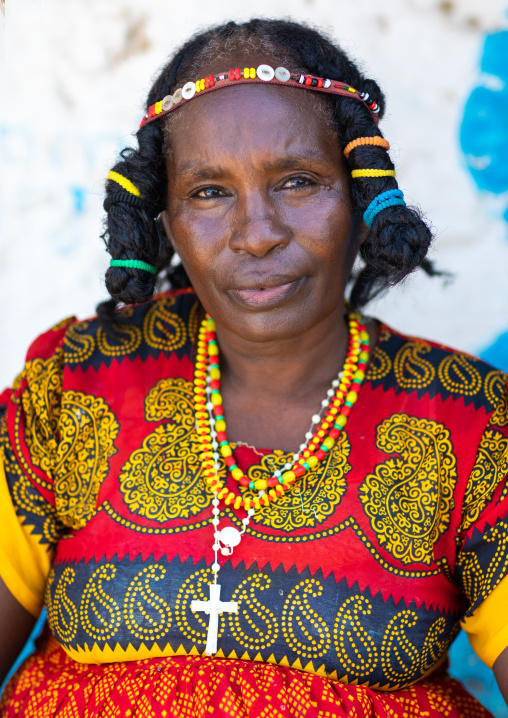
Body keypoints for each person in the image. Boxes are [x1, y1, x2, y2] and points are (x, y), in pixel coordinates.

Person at [1, 18, 507, 718]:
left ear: (362, 197)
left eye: (298, 181)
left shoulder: (471, 424)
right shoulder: (75, 387)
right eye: (209, 192)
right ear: (166, 219)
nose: (257, 233)